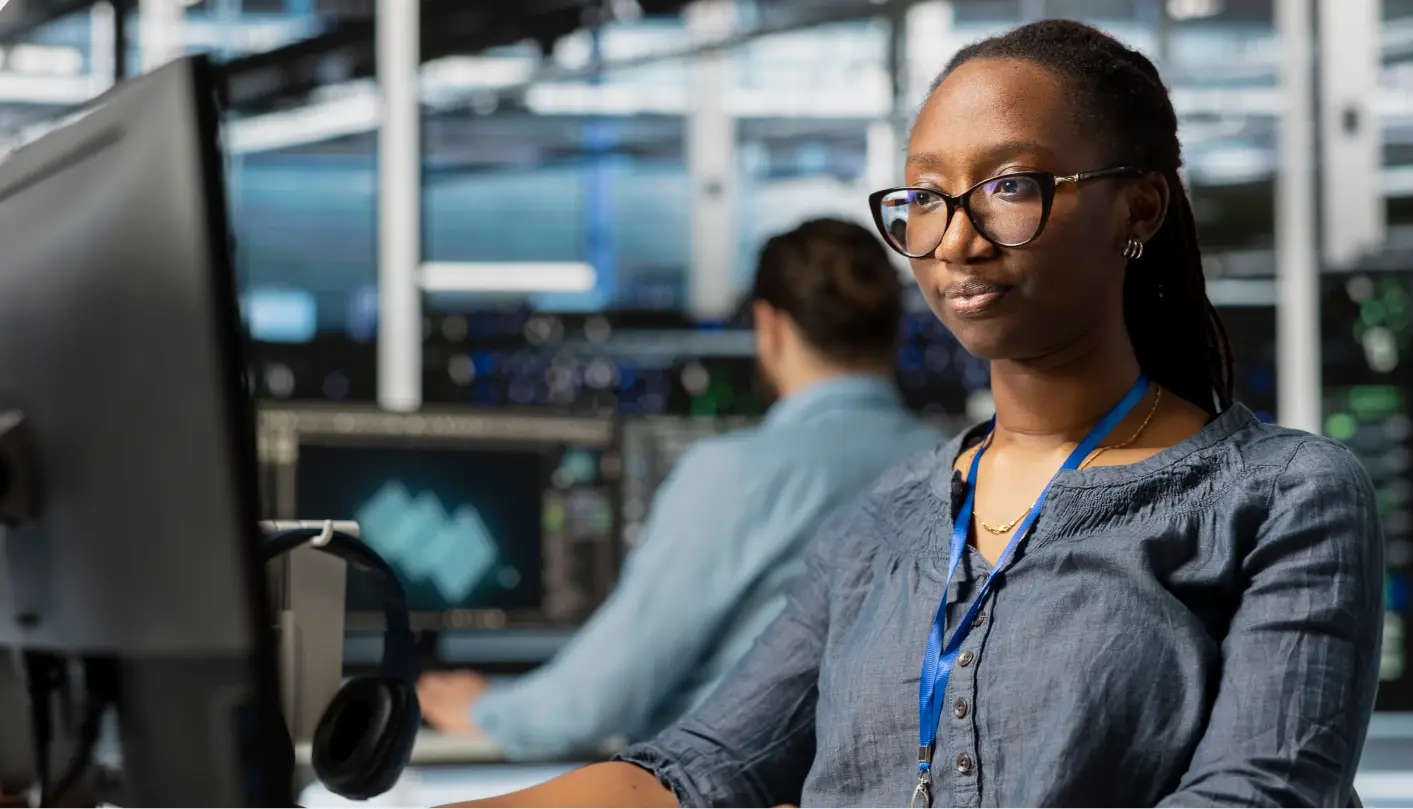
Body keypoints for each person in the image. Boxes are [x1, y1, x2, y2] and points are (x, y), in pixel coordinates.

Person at [444, 19, 1385, 807]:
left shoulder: (1280, 496)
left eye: (1008, 186)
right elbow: (700, 768)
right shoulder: (887, 520)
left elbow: (1256, 797)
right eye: (924, 198)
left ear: (1135, 207)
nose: (955, 241)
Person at [417, 218, 943, 761]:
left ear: (770, 328)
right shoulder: (955, 466)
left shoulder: (736, 475)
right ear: (896, 330)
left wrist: (486, 708)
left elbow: (599, 698)